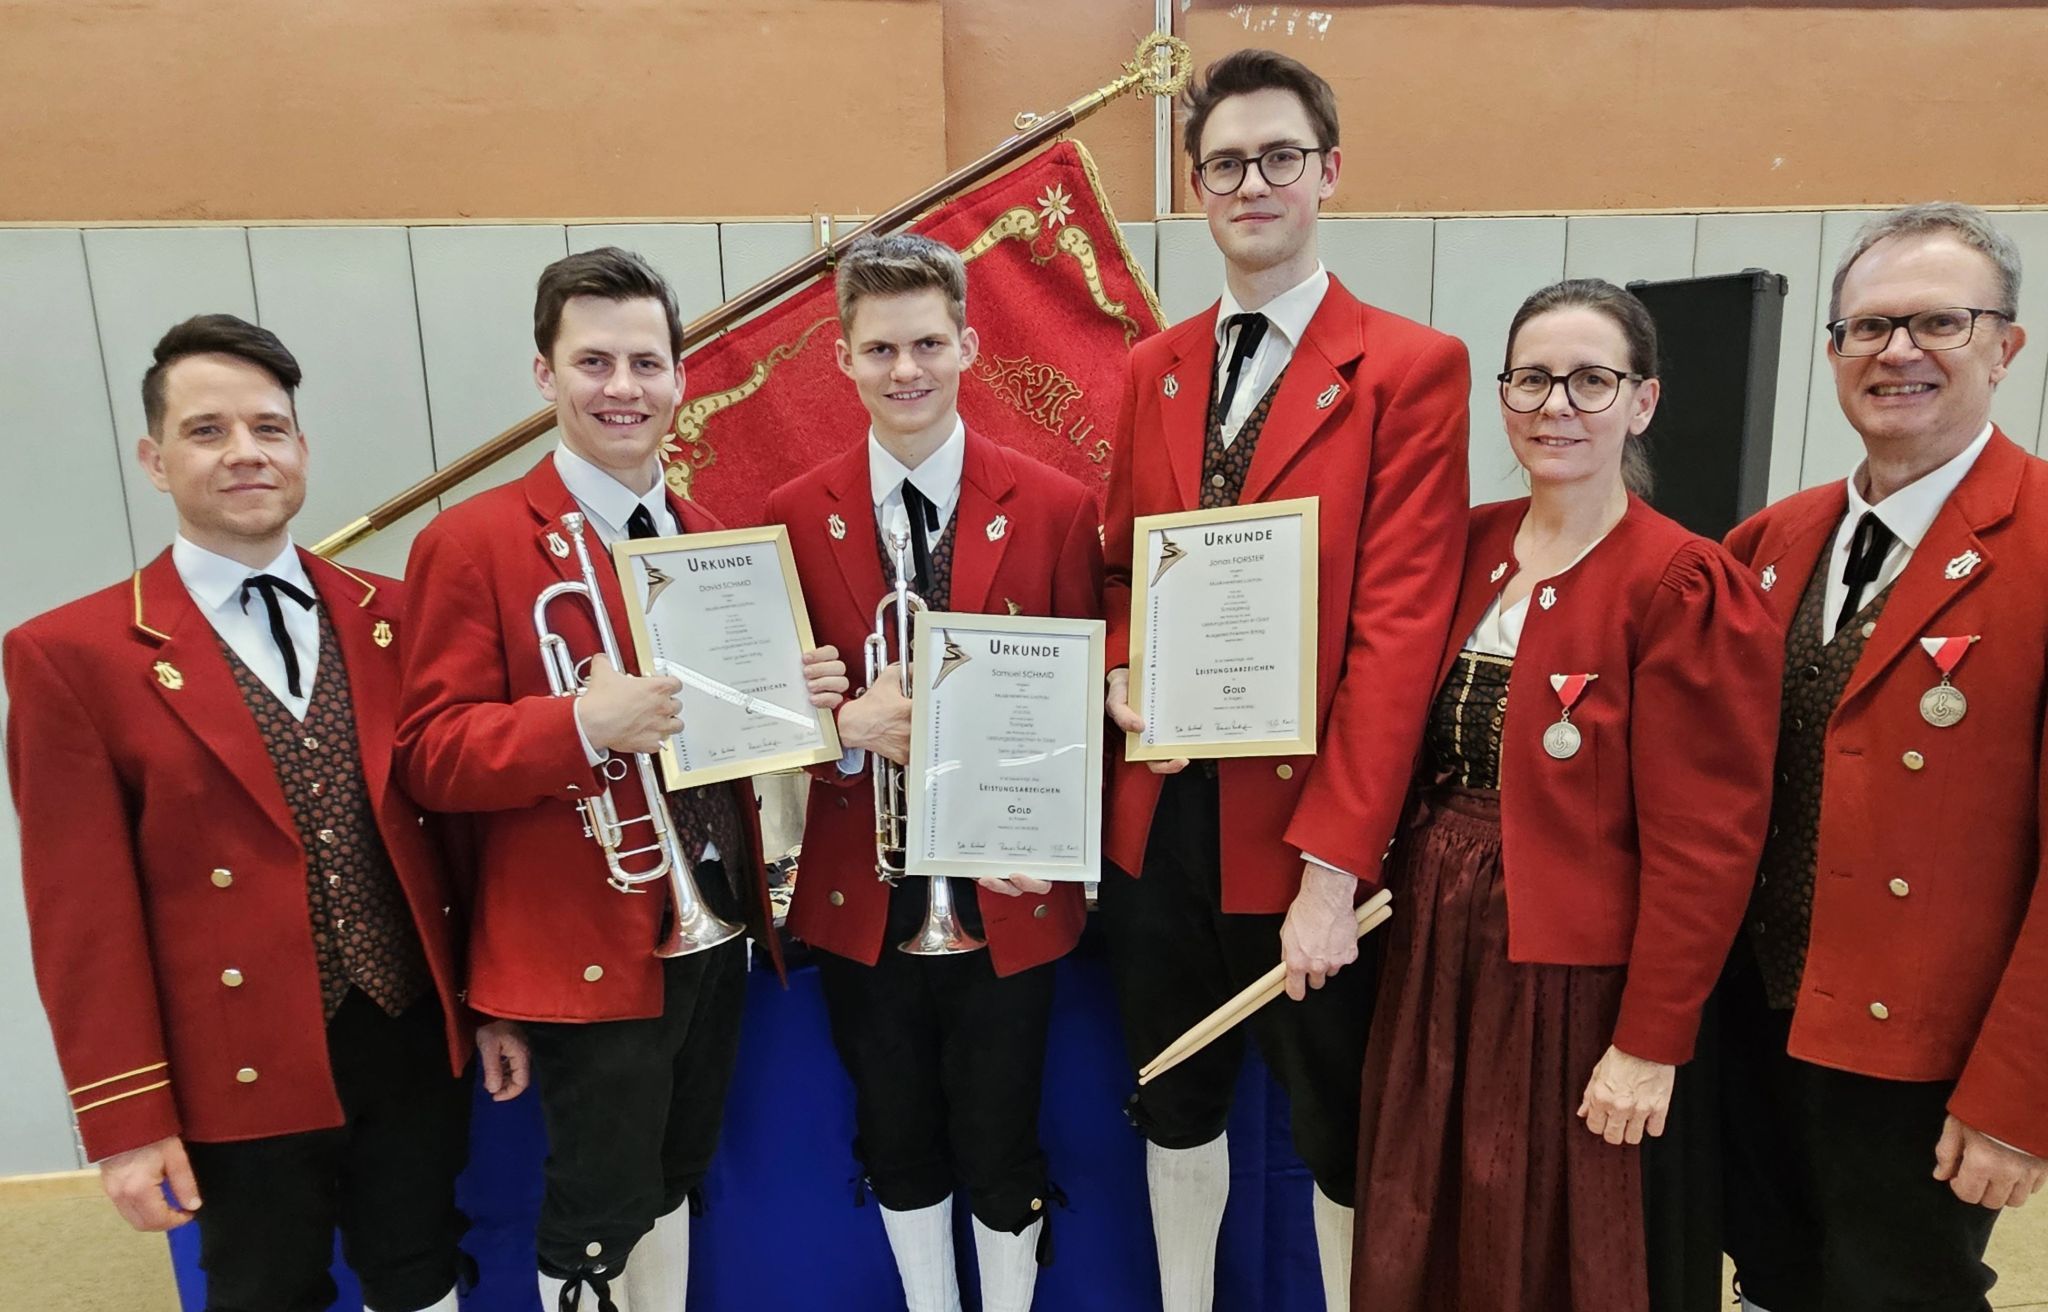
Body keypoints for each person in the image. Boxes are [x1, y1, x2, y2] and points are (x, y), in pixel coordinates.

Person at [3, 314, 524, 1312]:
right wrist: (123, 1118)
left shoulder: (396, 614)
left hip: (409, 1030)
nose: (245, 453)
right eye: (207, 431)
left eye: (268, 427)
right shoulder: (72, 655)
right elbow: (81, 916)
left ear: (301, 449)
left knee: (419, 1267)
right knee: (263, 1288)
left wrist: (490, 1001)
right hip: (231, 1056)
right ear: (155, 461)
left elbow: (461, 839)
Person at [395, 247, 848, 1311]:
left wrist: (799, 691)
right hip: (581, 939)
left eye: (646, 362)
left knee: (674, 1179)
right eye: (591, 362)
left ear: (682, 378)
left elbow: (738, 736)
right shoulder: (470, 542)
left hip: (712, 923)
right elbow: (428, 755)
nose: (622, 388)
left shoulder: (711, 538)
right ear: (544, 377)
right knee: (597, 1207)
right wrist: (577, 725)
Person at [1097, 47, 1471, 1310]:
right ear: (1194, 187)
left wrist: (1332, 868)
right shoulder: (1149, 366)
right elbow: (1114, 574)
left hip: (1312, 827)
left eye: (1277, 158)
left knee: (1340, 1131)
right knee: (1171, 1098)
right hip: (1159, 819)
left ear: (1327, 173)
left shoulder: (1412, 367)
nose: (1250, 183)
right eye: (1223, 164)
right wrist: (1116, 673)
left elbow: (1400, 633)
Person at [1351, 279, 1779, 1310]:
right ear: (1500, 398)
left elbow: (1706, 842)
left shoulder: (1680, 580)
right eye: (1532, 379)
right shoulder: (1457, 545)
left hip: (1575, 980)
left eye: (1591, 380)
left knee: (1553, 1231)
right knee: (1430, 1214)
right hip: (1434, 947)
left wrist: (1648, 1041)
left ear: (1641, 401)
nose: (1556, 406)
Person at [762, 232, 1103, 1312]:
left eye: (924, 343)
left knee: (1001, 1133)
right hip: (864, 890)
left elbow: (1080, 701)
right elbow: (758, 723)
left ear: (967, 345)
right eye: (878, 349)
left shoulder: (1054, 505)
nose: (903, 370)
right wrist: (847, 723)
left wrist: (1042, 837)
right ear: (842, 360)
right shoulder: (785, 515)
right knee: (894, 1128)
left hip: (1005, 886)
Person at [1720, 201, 2048, 1312]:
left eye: (1937, 322)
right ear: (1830, 354)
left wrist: (2017, 1095)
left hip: (1922, 1051)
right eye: (1865, 327)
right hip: (1752, 1019)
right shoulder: (1768, 544)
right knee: (1772, 1280)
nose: (1895, 351)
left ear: (2004, 347)